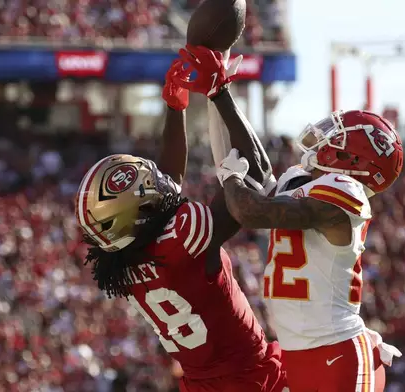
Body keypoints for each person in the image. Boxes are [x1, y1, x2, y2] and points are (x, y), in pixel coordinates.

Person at [176, 45, 403, 392]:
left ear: (354, 160)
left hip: (340, 353)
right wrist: (219, 94)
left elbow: (251, 210)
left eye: (337, 135)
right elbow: (252, 163)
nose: (325, 135)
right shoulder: (305, 180)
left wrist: (232, 177)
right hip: (301, 353)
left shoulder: (346, 194)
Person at [75, 60, 286, 392]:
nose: (158, 184)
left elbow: (167, 190)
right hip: (252, 379)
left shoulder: (121, 264)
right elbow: (258, 177)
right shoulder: (181, 241)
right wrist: (220, 92)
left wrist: (176, 107)